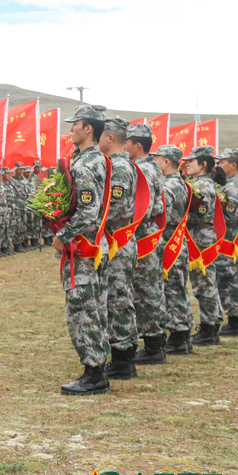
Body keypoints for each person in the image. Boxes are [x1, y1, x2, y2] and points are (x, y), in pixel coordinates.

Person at [52, 105, 111, 396]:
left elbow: (88, 212)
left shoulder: (87, 164)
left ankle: (94, 374)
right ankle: (96, 369)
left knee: (83, 309)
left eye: (75, 124)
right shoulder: (92, 159)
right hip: (90, 246)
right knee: (90, 307)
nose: (71, 129)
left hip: (84, 247)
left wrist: (62, 234)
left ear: (88, 129)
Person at [99, 117, 141, 381]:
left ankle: (123, 359)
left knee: (118, 299)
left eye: (101, 136)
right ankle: (124, 355)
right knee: (117, 297)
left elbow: (117, 209)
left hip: (118, 240)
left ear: (110, 137)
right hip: (117, 239)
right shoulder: (116, 164)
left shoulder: (120, 167)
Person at [126, 124, 168, 365]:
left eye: (127, 143)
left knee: (146, 291)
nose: (124, 146)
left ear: (137, 145)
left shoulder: (142, 170)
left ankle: (153, 346)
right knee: (150, 288)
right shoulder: (151, 167)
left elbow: (143, 207)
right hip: (149, 231)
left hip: (143, 234)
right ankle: (155, 343)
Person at [153, 145, 195, 355]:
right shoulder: (181, 183)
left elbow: (163, 215)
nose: (154, 162)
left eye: (157, 159)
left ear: (166, 162)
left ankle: (178, 337)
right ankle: (184, 335)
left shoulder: (168, 186)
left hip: (170, 242)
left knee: (171, 291)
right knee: (178, 289)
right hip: (178, 241)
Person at [183, 146, 224, 346]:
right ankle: (212, 325)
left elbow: (199, 214)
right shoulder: (200, 183)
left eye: (192, 161)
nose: (187, 164)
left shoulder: (202, 187)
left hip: (200, 237)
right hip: (200, 235)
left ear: (204, 164)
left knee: (204, 284)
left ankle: (209, 330)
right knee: (206, 282)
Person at [214, 148, 238, 336]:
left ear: (233, 164)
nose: (219, 165)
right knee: (233, 281)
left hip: (229, 241)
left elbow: (230, 214)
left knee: (230, 281)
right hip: (230, 240)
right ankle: (237, 320)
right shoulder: (230, 184)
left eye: (222, 162)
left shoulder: (232, 187)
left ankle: (236, 322)